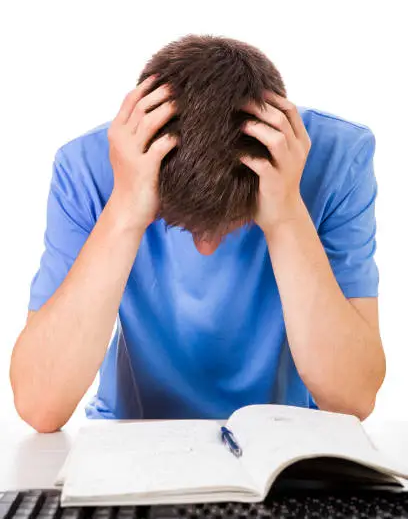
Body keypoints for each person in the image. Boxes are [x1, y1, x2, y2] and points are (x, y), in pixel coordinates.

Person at [10, 35, 385, 433]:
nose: (206, 248)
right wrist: (124, 210)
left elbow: (352, 399)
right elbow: (40, 405)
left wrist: (287, 216)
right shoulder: (86, 166)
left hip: (286, 440)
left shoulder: (338, 157)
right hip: (127, 437)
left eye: (233, 224)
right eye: (181, 225)